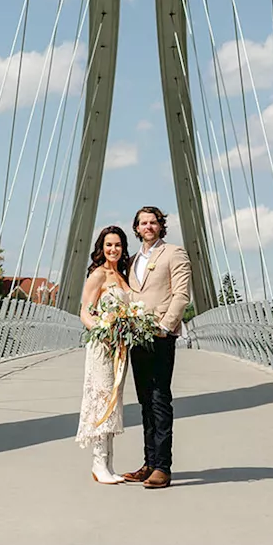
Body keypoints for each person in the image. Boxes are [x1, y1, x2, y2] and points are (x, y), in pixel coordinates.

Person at [123, 206, 190, 489]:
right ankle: (149, 463)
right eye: (143, 223)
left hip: (161, 337)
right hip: (136, 337)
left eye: (153, 222)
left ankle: (163, 466)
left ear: (161, 226)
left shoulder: (174, 253)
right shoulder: (133, 260)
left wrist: (165, 326)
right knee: (144, 401)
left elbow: (182, 293)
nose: (148, 227)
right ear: (136, 228)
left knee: (160, 399)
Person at [75, 225, 132, 484]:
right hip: (102, 347)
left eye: (118, 245)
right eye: (109, 245)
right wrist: (103, 329)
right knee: (101, 399)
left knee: (113, 400)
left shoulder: (122, 276)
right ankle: (98, 464)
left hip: (120, 348)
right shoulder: (98, 275)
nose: (113, 249)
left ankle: (108, 464)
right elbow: (85, 312)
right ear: (101, 247)